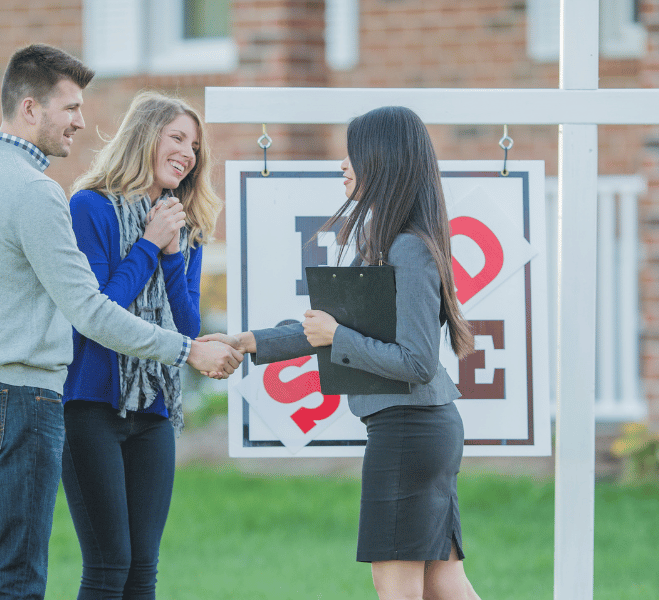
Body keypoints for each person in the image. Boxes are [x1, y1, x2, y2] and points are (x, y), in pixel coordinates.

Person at [0, 44, 241, 600]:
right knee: (17, 578)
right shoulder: (45, 195)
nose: (82, 121)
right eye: (71, 108)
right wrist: (184, 348)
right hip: (30, 399)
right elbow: (90, 311)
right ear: (31, 109)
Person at [201, 106, 482, 600]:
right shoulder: (393, 241)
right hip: (420, 430)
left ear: (385, 161)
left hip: (408, 433)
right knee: (443, 585)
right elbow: (329, 329)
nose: (343, 164)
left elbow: (416, 363)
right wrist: (246, 342)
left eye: (354, 153)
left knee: (396, 585)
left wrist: (339, 338)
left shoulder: (409, 248)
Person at [59, 91, 220, 598]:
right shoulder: (90, 208)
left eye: (194, 145)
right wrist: (148, 245)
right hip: (91, 405)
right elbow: (97, 312)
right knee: (109, 567)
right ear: (145, 137)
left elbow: (187, 327)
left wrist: (172, 254)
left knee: (143, 569)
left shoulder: (183, 224)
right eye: (177, 138)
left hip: (153, 409)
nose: (188, 153)